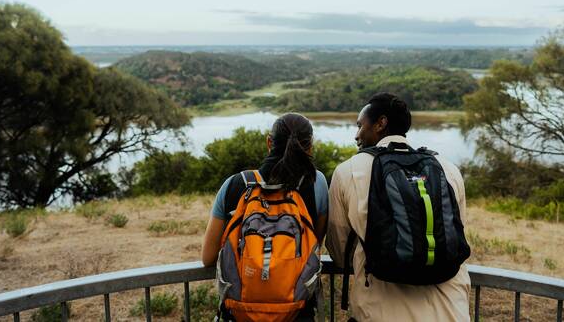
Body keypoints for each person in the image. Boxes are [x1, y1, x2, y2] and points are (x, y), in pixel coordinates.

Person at [326, 93, 471, 321]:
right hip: (450, 311)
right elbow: (456, 237)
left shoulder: (349, 171)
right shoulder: (447, 168)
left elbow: (339, 249)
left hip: (379, 311)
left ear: (381, 124)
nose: (357, 135)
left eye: (360, 125)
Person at [201, 113, 329, 321]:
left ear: (269, 142)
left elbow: (208, 257)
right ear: (310, 147)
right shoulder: (317, 184)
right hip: (297, 312)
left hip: (240, 314)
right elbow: (314, 245)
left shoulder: (236, 185)